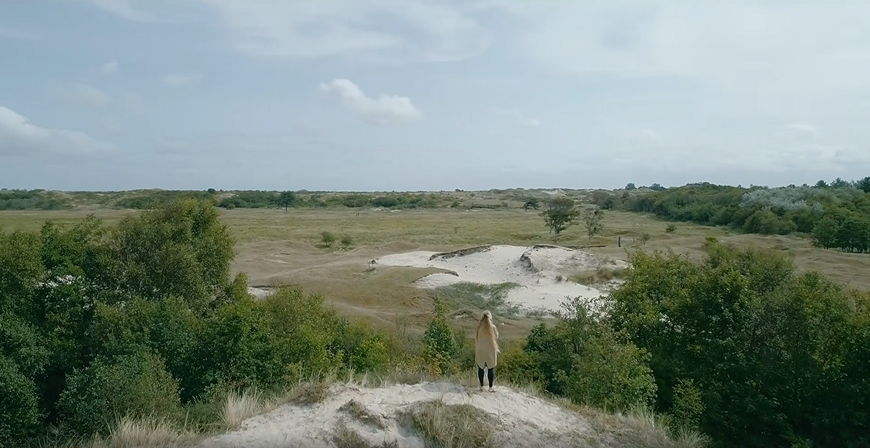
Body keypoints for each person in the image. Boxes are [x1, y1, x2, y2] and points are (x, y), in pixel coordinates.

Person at [475, 310, 500, 392]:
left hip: (480, 349)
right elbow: (496, 336)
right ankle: (490, 387)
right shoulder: (493, 327)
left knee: (480, 368)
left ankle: (481, 386)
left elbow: (477, 338)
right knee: (490, 368)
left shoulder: (479, 327)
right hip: (490, 349)